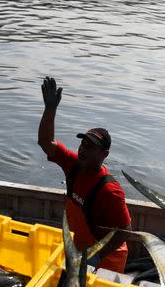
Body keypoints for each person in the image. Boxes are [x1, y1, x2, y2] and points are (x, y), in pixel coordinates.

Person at [37, 77, 132, 273]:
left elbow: (124, 233)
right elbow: (46, 143)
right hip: (80, 249)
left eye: (91, 147)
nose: (83, 150)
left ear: (104, 155)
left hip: (108, 260)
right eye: (83, 144)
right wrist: (50, 109)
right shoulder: (74, 165)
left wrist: (96, 255)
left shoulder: (110, 190)